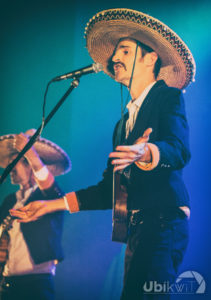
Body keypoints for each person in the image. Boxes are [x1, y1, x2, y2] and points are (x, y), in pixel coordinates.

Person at [10, 8, 196, 299]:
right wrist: (49, 206)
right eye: (115, 52)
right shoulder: (122, 126)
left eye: (124, 49)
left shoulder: (167, 97)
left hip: (163, 223)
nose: (113, 59)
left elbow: (179, 149)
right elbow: (108, 190)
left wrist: (147, 151)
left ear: (151, 58)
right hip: (138, 231)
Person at [0, 129, 71, 300]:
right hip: (7, 282)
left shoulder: (48, 196)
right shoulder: (10, 200)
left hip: (36, 284)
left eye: (14, 163)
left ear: (29, 166)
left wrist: (31, 153)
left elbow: (48, 184)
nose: (10, 169)